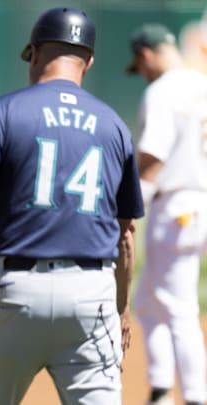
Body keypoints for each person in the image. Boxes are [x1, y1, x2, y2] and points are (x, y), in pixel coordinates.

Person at [0, 7, 144, 405]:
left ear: (33, 53)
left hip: (16, 292)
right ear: (88, 60)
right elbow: (125, 235)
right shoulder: (114, 125)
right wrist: (120, 309)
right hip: (92, 296)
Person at [126, 23, 207, 405]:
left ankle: (195, 395)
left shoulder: (161, 92)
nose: (141, 74)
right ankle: (160, 389)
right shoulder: (202, 84)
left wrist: (127, 210)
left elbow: (153, 161)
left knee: (178, 307)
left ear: (146, 55)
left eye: (139, 66)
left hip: (174, 205)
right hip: (198, 202)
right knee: (147, 300)